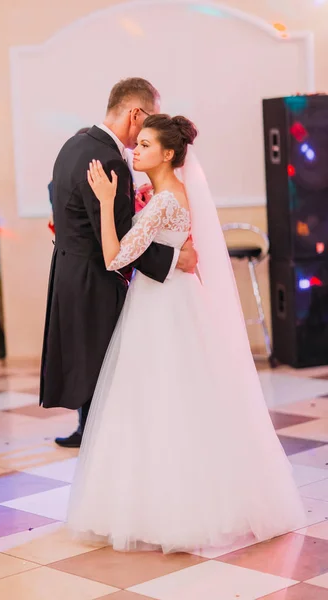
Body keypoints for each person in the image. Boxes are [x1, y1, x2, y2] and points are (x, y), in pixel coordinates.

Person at [66, 114, 305, 553]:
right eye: (136, 143)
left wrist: (104, 202)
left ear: (169, 153)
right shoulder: (171, 194)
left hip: (160, 307)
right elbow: (171, 249)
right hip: (174, 299)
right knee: (178, 400)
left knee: (157, 401)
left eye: (145, 144)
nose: (135, 151)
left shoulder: (162, 202)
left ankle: (166, 510)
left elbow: (115, 257)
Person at [39, 79, 198, 448]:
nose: (146, 136)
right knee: (102, 359)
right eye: (148, 124)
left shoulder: (74, 144)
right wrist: (177, 258)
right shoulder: (109, 159)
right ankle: (103, 439)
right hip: (96, 274)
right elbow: (119, 241)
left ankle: (93, 434)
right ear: (135, 114)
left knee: (91, 356)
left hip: (68, 268)